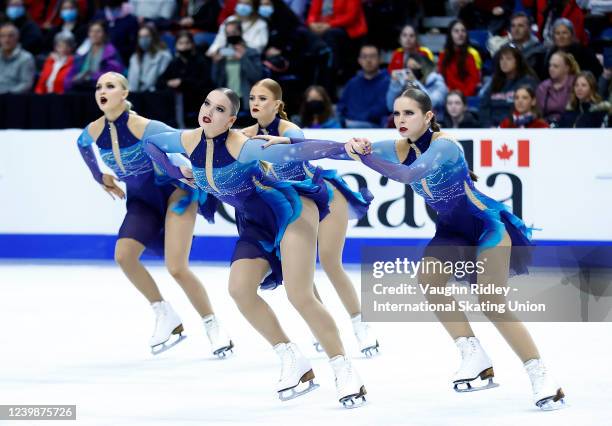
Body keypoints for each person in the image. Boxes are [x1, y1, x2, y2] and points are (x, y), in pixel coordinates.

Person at [143, 87, 368, 408]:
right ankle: (294, 360)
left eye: (220, 109)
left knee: (299, 293)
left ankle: (344, 369)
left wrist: (345, 147)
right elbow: (150, 143)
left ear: (232, 119)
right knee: (240, 289)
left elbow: (302, 152)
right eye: (207, 103)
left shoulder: (243, 147)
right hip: (255, 225)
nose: (209, 111)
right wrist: (176, 171)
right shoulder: (187, 140)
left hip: (289, 210)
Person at [345, 87, 566, 411]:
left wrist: (365, 158)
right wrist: (305, 145)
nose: (400, 119)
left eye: (409, 113)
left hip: (486, 228)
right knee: (428, 280)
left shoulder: (445, 145)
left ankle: (540, 374)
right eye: (396, 113)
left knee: (491, 301)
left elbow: (409, 174)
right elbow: (336, 151)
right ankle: (472, 354)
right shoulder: (398, 146)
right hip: (451, 232)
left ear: (428, 116)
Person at [76, 72, 233, 358]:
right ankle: (165, 314)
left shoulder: (147, 127)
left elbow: (187, 141)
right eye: (99, 86)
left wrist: (191, 169)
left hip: (176, 193)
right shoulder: (94, 130)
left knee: (176, 267)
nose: (102, 90)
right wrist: (100, 177)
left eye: (110, 86)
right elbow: (82, 145)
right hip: (141, 201)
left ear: (124, 94)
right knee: (124, 255)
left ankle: (213, 324)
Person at [241, 78, 378, 356]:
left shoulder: (290, 129)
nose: (255, 103)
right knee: (298, 272)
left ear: (277, 104)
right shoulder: (245, 134)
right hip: (291, 206)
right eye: (253, 97)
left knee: (329, 261)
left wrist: (283, 142)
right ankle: (322, 325)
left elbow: (302, 143)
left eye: (262, 98)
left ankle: (361, 326)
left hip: (323, 197)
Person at [156, 31, 214, 127]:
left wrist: (182, 82)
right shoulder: (174, 63)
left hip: (197, 98)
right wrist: (169, 83)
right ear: (176, 46)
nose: (184, 46)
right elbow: (159, 82)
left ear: (192, 45)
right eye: (181, 43)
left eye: (187, 43)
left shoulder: (200, 61)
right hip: (178, 100)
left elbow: (205, 82)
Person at [479, 44, 539, 127]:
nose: (504, 62)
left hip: (516, 127)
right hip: (492, 129)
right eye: (501, 59)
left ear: (517, 61)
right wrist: (488, 126)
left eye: (508, 59)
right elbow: (484, 107)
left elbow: (530, 109)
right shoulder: (493, 82)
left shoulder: (528, 81)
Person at [210, 19, 264, 110]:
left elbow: (256, 77)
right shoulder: (222, 53)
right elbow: (215, 80)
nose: (231, 36)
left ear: (240, 32)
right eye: (228, 33)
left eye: (234, 32)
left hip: (245, 100)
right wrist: (215, 63)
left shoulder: (251, 52)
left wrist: (243, 58)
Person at [337, 44, 390, 128]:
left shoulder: (387, 82)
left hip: (376, 128)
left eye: (372, 56)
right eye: (364, 56)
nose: (368, 60)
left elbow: (383, 109)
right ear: (359, 60)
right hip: (348, 128)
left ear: (380, 59)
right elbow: (341, 107)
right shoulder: (352, 83)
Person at [64, 21, 124, 92]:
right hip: (80, 89)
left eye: (98, 31)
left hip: (101, 91)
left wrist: (90, 77)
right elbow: (71, 74)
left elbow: (113, 75)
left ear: (105, 34)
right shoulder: (82, 52)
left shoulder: (111, 52)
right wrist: (72, 80)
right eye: (91, 31)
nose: (94, 34)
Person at [438, 19, 482, 97]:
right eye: (456, 31)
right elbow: (441, 78)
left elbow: (474, 80)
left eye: (463, 31)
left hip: (465, 95)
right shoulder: (443, 55)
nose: (460, 34)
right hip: (447, 95)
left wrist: (462, 95)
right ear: (450, 35)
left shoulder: (471, 55)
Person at [536, 50, 580, 126]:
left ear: (566, 68)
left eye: (555, 66)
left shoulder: (576, 84)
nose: (551, 69)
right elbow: (538, 113)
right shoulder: (543, 87)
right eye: (550, 65)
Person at [127, 24, 172, 92]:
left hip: (156, 94)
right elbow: (131, 82)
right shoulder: (134, 57)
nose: (143, 40)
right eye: (141, 37)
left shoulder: (164, 56)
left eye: (146, 36)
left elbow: (161, 79)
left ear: (153, 37)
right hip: (137, 95)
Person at [0, 22, 35, 94]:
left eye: (10, 36)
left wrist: (7, 94)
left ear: (17, 37)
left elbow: (26, 84)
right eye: (2, 36)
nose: (6, 40)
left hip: (13, 99)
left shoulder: (26, 58)